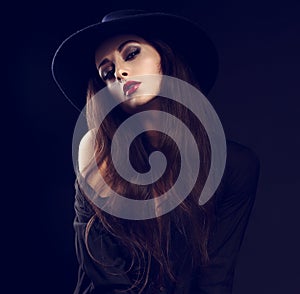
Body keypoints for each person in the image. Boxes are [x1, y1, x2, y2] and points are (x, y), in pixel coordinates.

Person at [52, 10, 260, 294]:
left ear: (165, 56)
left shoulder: (234, 166)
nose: (120, 73)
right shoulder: (97, 156)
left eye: (132, 53)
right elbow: (107, 281)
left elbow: (215, 280)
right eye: (107, 72)